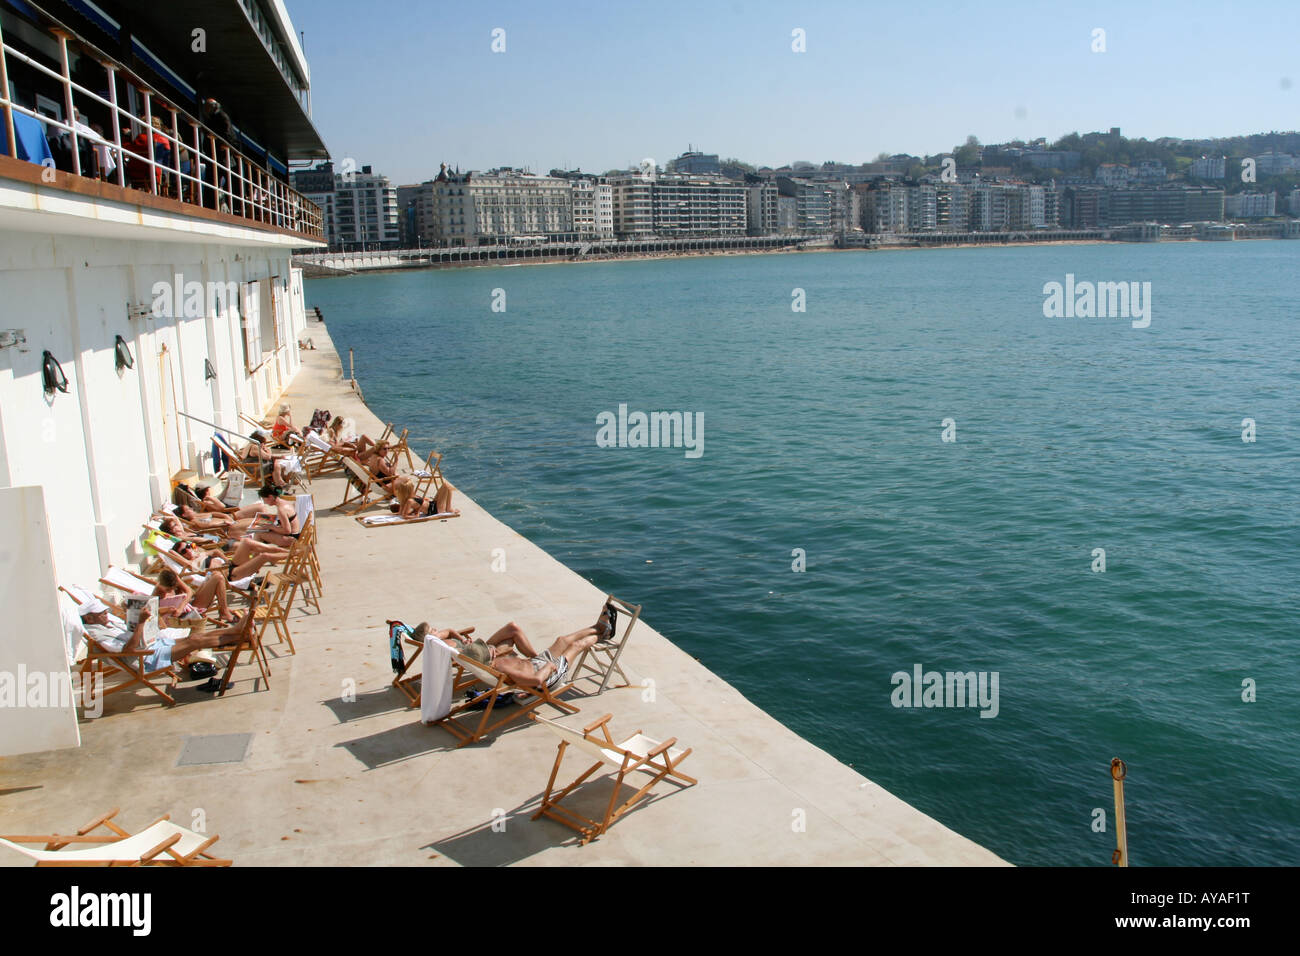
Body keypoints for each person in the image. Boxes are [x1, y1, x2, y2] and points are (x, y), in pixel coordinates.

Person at [413, 609, 612, 692]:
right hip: (547, 676)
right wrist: (549, 667)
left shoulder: (491, 662)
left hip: (536, 663)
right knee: (576, 646)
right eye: (490, 651)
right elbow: (535, 681)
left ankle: (597, 626)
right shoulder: (501, 667)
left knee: (561, 640)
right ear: (491, 657)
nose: (493, 650)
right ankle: (602, 635)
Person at [79, 597, 248, 675]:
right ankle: (239, 634)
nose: (106, 615)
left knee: (194, 637)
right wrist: (141, 623)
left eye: (105, 611)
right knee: (195, 641)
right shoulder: (97, 634)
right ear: (89, 617)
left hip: (151, 644)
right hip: (146, 659)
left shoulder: (104, 622)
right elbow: (129, 650)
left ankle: (236, 632)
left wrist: (131, 611)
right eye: (102, 613)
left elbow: (129, 632)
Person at [153, 568, 238, 624]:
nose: (171, 590)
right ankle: (224, 611)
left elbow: (189, 591)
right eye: (168, 590)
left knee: (216, 573)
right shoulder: (157, 593)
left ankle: (224, 610)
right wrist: (170, 610)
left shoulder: (173, 577)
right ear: (160, 584)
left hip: (190, 603)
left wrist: (181, 607)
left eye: (174, 588)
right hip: (190, 611)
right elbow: (154, 611)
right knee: (218, 578)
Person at [391, 474, 457, 519]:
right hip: (435, 510)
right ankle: (449, 508)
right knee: (447, 485)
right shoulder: (410, 500)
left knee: (445, 486)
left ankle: (448, 508)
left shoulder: (407, 499)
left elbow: (401, 513)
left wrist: (413, 512)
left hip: (432, 505)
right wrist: (416, 516)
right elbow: (404, 515)